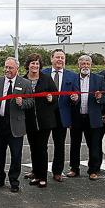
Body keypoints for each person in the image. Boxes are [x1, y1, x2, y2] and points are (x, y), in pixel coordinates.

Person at [0, 57, 34, 192]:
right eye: (6, 67)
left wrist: (22, 103)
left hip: (16, 125)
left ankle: (14, 180)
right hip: (0, 124)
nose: (7, 70)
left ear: (17, 69)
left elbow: (31, 103)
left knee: (16, 155)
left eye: (10, 68)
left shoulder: (25, 83)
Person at [41, 49, 77, 182]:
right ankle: (38, 170)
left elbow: (76, 94)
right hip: (45, 115)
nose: (60, 60)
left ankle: (57, 171)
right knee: (41, 144)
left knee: (60, 145)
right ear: (51, 59)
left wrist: (75, 98)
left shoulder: (72, 76)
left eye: (62, 57)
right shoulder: (43, 73)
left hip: (62, 116)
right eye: (57, 57)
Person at [68, 54, 105, 180]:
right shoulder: (73, 79)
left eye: (87, 64)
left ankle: (93, 170)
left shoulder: (99, 79)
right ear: (78, 65)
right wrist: (73, 100)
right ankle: (74, 168)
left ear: (91, 65)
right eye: (83, 63)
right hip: (77, 117)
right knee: (75, 144)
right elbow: (67, 98)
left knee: (94, 145)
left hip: (93, 117)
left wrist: (100, 98)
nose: (85, 66)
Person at [23, 53, 58, 188]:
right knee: (33, 148)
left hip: (45, 121)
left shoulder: (47, 79)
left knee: (42, 148)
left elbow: (56, 96)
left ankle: (42, 177)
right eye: (32, 63)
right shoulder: (23, 79)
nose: (35, 66)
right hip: (29, 120)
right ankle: (36, 173)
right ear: (28, 65)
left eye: (37, 63)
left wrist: (51, 99)